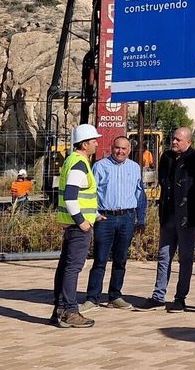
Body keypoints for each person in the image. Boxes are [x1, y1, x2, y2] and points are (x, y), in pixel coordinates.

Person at [141, 126, 195, 313]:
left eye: (178, 139)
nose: (174, 142)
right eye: (173, 138)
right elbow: (164, 183)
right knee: (164, 256)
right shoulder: (166, 157)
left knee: (185, 259)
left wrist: (192, 206)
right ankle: (158, 296)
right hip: (168, 216)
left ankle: (180, 298)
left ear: (188, 141)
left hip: (188, 217)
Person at [85, 135, 147, 310]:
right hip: (105, 218)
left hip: (127, 218)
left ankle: (115, 296)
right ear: (112, 148)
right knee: (100, 259)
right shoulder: (100, 166)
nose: (120, 151)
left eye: (124, 148)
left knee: (121, 260)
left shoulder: (135, 168)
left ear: (129, 150)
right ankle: (92, 298)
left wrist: (141, 218)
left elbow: (140, 194)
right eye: (117, 148)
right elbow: (91, 192)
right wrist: (95, 214)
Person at [49, 124, 101, 329]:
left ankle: (60, 309)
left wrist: (94, 215)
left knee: (65, 266)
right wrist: (82, 221)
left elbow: (78, 196)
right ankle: (70, 311)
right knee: (73, 268)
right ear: (85, 144)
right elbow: (71, 197)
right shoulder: (79, 163)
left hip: (72, 224)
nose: (97, 144)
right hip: (78, 226)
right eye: (94, 140)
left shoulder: (71, 160)